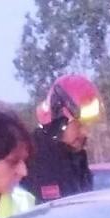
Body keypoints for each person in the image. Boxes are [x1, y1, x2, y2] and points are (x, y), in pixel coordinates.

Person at [21, 74, 102, 204]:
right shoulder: (28, 158)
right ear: (59, 120)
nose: (85, 132)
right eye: (79, 124)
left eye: (88, 125)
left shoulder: (78, 159)